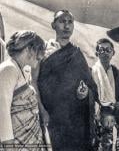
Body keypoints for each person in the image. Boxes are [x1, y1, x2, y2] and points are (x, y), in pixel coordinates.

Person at [37, 10, 99, 151]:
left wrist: (85, 93)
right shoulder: (43, 51)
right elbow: (34, 83)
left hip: (75, 121)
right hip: (51, 118)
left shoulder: (77, 53)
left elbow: (90, 86)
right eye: (62, 21)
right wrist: (42, 110)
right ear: (53, 25)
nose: (66, 26)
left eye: (70, 22)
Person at [0, 30, 46, 150]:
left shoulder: (19, 69)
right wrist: (9, 147)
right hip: (14, 144)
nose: (41, 56)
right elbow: (2, 111)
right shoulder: (8, 69)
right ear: (28, 49)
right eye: (39, 50)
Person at [92, 38, 119, 150]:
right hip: (97, 120)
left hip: (115, 119)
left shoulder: (118, 75)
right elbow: (90, 96)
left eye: (108, 50)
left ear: (113, 53)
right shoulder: (91, 72)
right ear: (96, 53)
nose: (105, 53)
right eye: (101, 50)